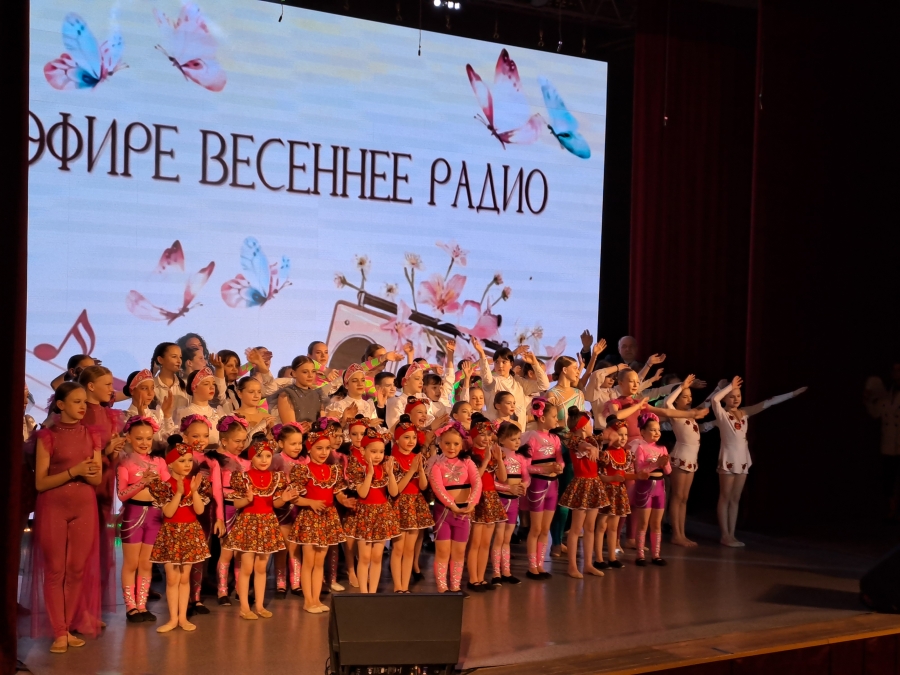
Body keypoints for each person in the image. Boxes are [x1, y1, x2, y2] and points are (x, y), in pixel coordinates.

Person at [22, 383, 103, 653]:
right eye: (76, 401)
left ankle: (67, 627)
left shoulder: (92, 435)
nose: (82, 407)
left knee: (77, 569)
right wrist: (73, 471)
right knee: (56, 570)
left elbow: (96, 479)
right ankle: (59, 632)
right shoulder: (47, 436)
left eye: (84, 402)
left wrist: (87, 471)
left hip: (84, 506)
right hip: (53, 507)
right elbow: (41, 482)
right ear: (61, 405)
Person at [712, 376, 806, 547]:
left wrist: (792, 394)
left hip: (742, 458)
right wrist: (727, 387)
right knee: (725, 496)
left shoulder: (744, 412)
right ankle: (724, 535)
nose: (736, 399)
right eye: (731, 396)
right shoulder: (722, 414)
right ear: (725, 397)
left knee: (735, 498)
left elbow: (769, 402)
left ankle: (732, 534)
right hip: (729, 458)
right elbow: (714, 400)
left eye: (738, 395)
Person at [222, 437, 293, 620]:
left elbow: (274, 504)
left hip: (267, 523)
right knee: (246, 567)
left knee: (261, 567)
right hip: (249, 524)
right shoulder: (243, 477)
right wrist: (247, 499)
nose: (264, 460)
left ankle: (260, 606)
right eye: (259, 456)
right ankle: (245, 607)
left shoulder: (275, 477)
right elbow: (236, 504)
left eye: (268, 456)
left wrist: (284, 498)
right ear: (251, 458)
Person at [148, 435, 212, 633]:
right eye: (181, 460)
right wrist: (178, 493)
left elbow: (199, 510)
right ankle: (172, 619)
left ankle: (183, 618)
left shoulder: (195, 483)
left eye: (189, 460)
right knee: (172, 578)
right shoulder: (164, 486)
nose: (186, 464)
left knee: (185, 578)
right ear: (170, 463)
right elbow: (168, 512)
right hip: (171, 533)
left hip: (190, 532)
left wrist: (193, 491)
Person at [288, 429, 351, 614]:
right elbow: (294, 497)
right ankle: (308, 601)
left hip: (327, 518)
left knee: (320, 561)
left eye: (327, 448)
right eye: (319, 448)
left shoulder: (333, 470)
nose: (324, 452)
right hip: (310, 518)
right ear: (309, 449)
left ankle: (316, 599)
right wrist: (310, 502)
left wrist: (344, 500)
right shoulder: (303, 470)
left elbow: (337, 493)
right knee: (309, 561)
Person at [117, 415, 169, 623]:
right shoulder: (125, 463)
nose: (144, 442)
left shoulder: (159, 462)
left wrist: (162, 486)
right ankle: (130, 606)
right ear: (129, 438)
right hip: (133, 515)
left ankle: (142, 604)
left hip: (155, 516)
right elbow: (122, 495)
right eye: (139, 438)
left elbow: (168, 487)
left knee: (146, 564)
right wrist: (143, 483)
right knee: (131, 563)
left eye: (148, 438)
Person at [343, 429, 401, 593]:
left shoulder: (385, 467)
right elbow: (362, 493)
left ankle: (373, 592)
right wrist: (369, 474)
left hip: (382, 514)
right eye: (373, 451)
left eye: (381, 452)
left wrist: (390, 474)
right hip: (365, 514)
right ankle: (364, 593)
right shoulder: (358, 468)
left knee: (376, 556)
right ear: (363, 451)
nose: (378, 456)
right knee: (365, 556)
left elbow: (394, 492)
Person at [664, 375, 720, 547]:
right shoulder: (675, 414)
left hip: (691, 459)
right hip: (680, 458)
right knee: (677, 496)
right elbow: (667, 402)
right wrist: (682, 386)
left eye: (690, 396)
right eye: (684, 396)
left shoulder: (692, 414)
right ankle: (676, 534)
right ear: (677, 399)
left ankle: (682, 533)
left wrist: (719, 388)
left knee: (684, 498)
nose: (688, 399)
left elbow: (707, 403)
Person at [429, 421, 482, 594]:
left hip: (464, 513)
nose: (451, 447)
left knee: (459, 552)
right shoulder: (436, 465)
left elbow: (477, 483)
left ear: (462, 445)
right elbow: (438, 488)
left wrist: (471, 503)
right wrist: (452, 505)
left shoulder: (467, 463)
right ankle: (442, 587)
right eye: (447, 443)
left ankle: (455, 586)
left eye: (455, 444)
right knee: (443, 551)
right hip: (444, 513)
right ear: (440, 443)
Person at [559, 409, 608, 578]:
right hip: (582, 484)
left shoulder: (592, 439)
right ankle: (572, 566)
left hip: (594, 483)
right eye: (589, 422)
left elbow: (604, 437)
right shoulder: (574, 440)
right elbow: (577, 443)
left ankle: (588, 564)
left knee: (590, 527)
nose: (591, 425)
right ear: (583, 426)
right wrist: (589, 447)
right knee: (576, 528)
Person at [521, 398, 564, 579]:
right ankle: (532, 566)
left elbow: (560, 459)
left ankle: (540, 564)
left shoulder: (555, 438)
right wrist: (545, 469)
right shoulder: (532, 438)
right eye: (554, 416)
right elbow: (526, 466)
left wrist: (559, 467)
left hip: (553, 485)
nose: (557, 420)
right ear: (543, 418)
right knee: (536, 528)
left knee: (545, 529)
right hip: (538, 485)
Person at [389, 417, 434, 593]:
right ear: (397, 439)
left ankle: (405, 586)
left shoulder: (418, 458)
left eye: (413, 437)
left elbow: (423, 486)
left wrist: (420, 470)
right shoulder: (392, 460)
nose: (411, 441)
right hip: (400, 505)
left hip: (415, 504)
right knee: (398, 548)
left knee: (410, 550)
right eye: (406, 437)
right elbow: (397, 490)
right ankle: (397, 586)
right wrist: (412, 471)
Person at [210, 416, 250, 606]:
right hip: (226, 510)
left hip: (244, 509)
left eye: (243, 441)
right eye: (237, 441)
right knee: (226, 552)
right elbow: (216, 489)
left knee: (240, 552)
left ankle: (240, 588)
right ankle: (222, 590)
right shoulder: (216, 460)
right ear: (224, 441)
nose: (241, 445)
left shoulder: (244, 461)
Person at [472, 337, 549, 431]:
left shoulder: (519, 382)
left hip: (518, 434)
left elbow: (544, 385)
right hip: (496, 433)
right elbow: (486, 377)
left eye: (504, 362)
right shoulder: (493, 381)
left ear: (511, 363)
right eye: (497, 362)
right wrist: (481, 354)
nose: (500, 365)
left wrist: (535, 364)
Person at [467, 416, 507, 591]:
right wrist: (485, 460)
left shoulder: (493, 452)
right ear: (473, 434)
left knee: (485, 542)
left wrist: (498, 459)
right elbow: (475, 478)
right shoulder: (470, 455)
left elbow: (503, 478)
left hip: (491, 497)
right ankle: (472, 579)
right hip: (478, 497)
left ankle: (481, 577)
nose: (486, 438)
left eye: (489, 434)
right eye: (482, 434)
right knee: (475, 542)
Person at [628, 412, 671, 566]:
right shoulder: (640, 448)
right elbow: (640, 470)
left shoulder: (663, 448)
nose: (656, 433)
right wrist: (656, 464)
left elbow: (668, 471)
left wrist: (664, 463)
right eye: (652, 430)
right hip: (644, 487)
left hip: (660, 487)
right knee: (643, 523)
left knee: (657, 523)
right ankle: (640, 555)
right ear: (643, 432)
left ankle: (656, 555)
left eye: (658, 430)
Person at [491, 421, 530, 585]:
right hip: (501, 500)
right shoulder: (497, 457)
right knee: (499, 538)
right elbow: (492, 482)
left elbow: (526, 477)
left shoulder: (520, 458)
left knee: (507, 539)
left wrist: (524, 485)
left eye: (518, 439)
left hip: (514, 502)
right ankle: (496, 573)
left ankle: (506, 572)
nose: (517, 442)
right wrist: (508, 488)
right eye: (513, 439)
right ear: (501, 440)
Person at [271, 423, 307, 597]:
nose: (297, 447)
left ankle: (296, 582)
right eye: (293, 444)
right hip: (281, 508)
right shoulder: (276, 459)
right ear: (281, 443)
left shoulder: (304, 461)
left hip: (299, 508)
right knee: (282, 548)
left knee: (295, 547)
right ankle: (280, 583)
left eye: (299, 443)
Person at [865, 363, 900, 518]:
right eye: (895, 370)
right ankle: (892, 511)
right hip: (888, 444)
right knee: (889, 480)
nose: (897, 373)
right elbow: (876, 413)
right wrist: (868, 401)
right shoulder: (886, 395)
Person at [174, 367, 226, 445]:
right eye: (206, 384)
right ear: (194, 388)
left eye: (213, 384)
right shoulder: (183, 413)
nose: (212, 387)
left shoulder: (219, 413)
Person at [151, 343, 189, 420]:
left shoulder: (185, 386)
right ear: (160, 360)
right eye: (174, 357)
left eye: (180, 357)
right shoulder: (151, 386)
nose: (179, 361)